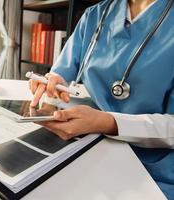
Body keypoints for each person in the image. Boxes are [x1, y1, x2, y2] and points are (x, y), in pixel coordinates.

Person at [29, 0, 174, 199]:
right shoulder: (95, 14)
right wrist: (54, 80)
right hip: (88, 141)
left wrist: (108, 123)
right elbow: (63, 70)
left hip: (153, 166)